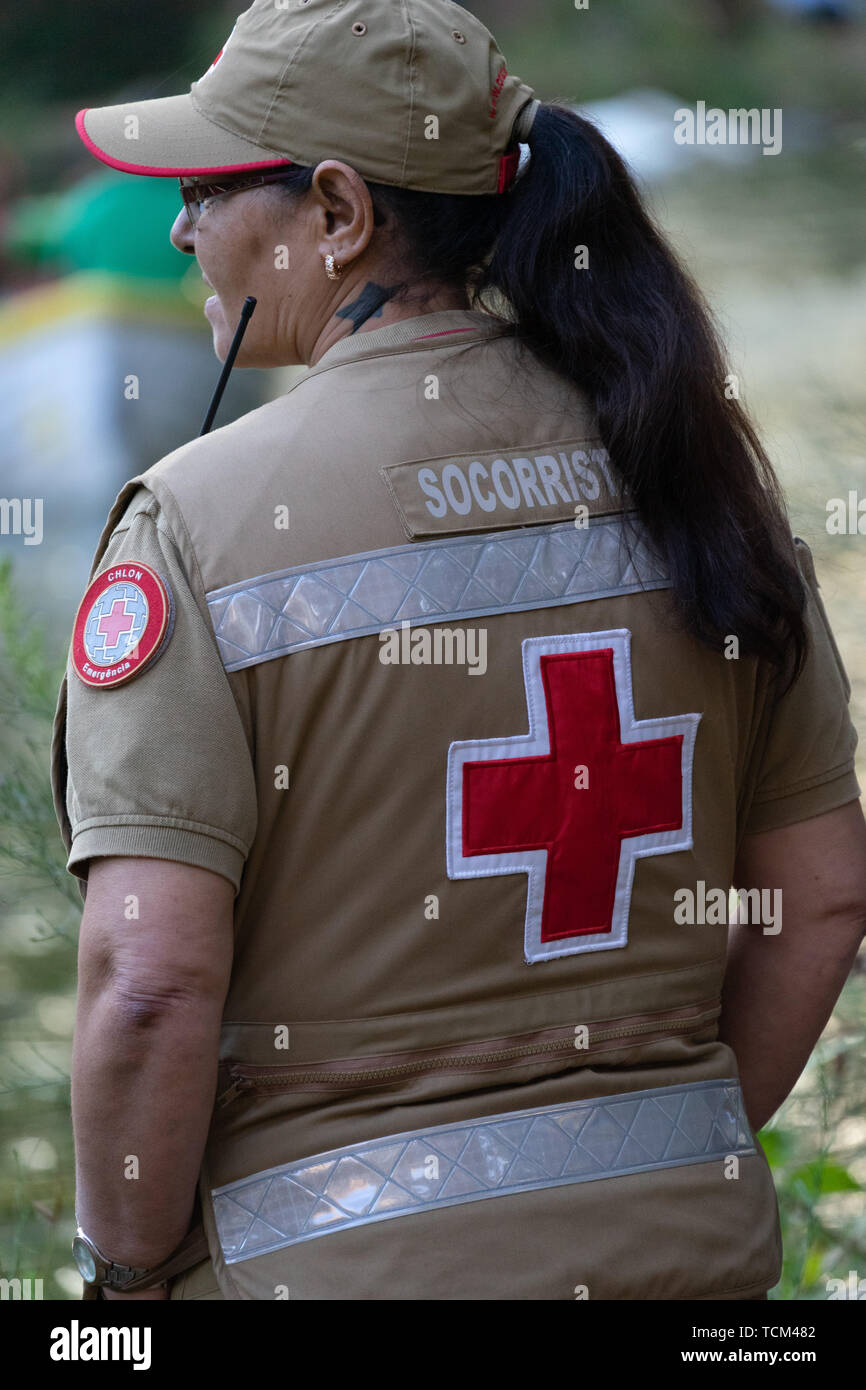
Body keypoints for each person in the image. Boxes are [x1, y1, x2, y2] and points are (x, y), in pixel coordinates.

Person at [52, 0, 865, 1301]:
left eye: (205, 187)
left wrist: (124, 1290)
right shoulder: (702, 478)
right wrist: (663, 1161)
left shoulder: (197, 523)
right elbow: (817, 895)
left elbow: (146, 981)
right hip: (691, 1267)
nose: (177, 229)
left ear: (335, 212)